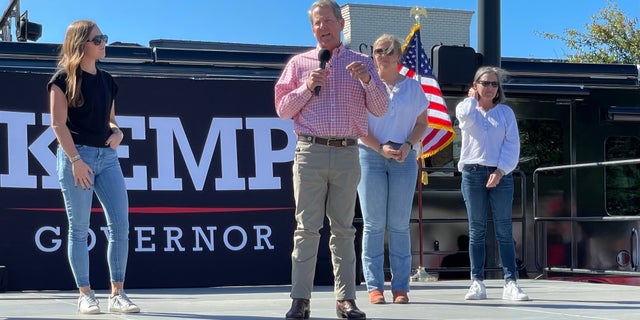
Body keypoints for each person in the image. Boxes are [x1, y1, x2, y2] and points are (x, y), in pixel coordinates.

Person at [274, 1, 388, 318]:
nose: (321, 27)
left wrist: (368, 80)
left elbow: (380, 109)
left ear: (341, 24)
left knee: (344, 230)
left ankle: (346, 300)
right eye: (316, 22)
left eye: (327, 21)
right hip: (310, 151)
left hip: (347, 152)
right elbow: (282, 110)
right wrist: (307, 87)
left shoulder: (361, 63)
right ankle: (300, 300)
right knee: (306, 229)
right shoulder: (299, 64)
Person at [48, 20, 140, 314]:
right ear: (81, 44)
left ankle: (118, 293)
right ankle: (85, 294)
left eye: (104, 38)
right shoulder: (62, 79)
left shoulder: (107, 79)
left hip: (107, 158)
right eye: (97, 39)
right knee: (79, 229)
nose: (103, 44)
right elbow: (57, 124)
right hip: (78, 157)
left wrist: (118, 132)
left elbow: (110, 119)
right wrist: (75, 161)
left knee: (121, 226)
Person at [356, 34, 428, 305]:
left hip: (404, 157)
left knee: (398, 225)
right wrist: (379, 148)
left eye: (388, 50)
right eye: (377, 50)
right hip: (369, 155)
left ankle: (401, 287)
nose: (382, 55)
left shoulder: (413, 88)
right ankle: (374, 286)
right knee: (373, 225)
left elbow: (422, 123)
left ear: (398, 55)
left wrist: (409, 144)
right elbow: (359, 127)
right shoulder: (364, 85)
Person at [455, 66, 529, 301]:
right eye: (484, 83)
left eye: (494, 84)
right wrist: (470, 98)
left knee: (504, 230)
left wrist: (500, 171)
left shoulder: (505, 113)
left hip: (501, 175)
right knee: (477, 230)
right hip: (472, 173)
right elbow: (463, 116)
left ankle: (511, 282)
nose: (489, 88)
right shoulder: (467, 109)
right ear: (475, 85)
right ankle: (477, 282)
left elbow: (512, 145)